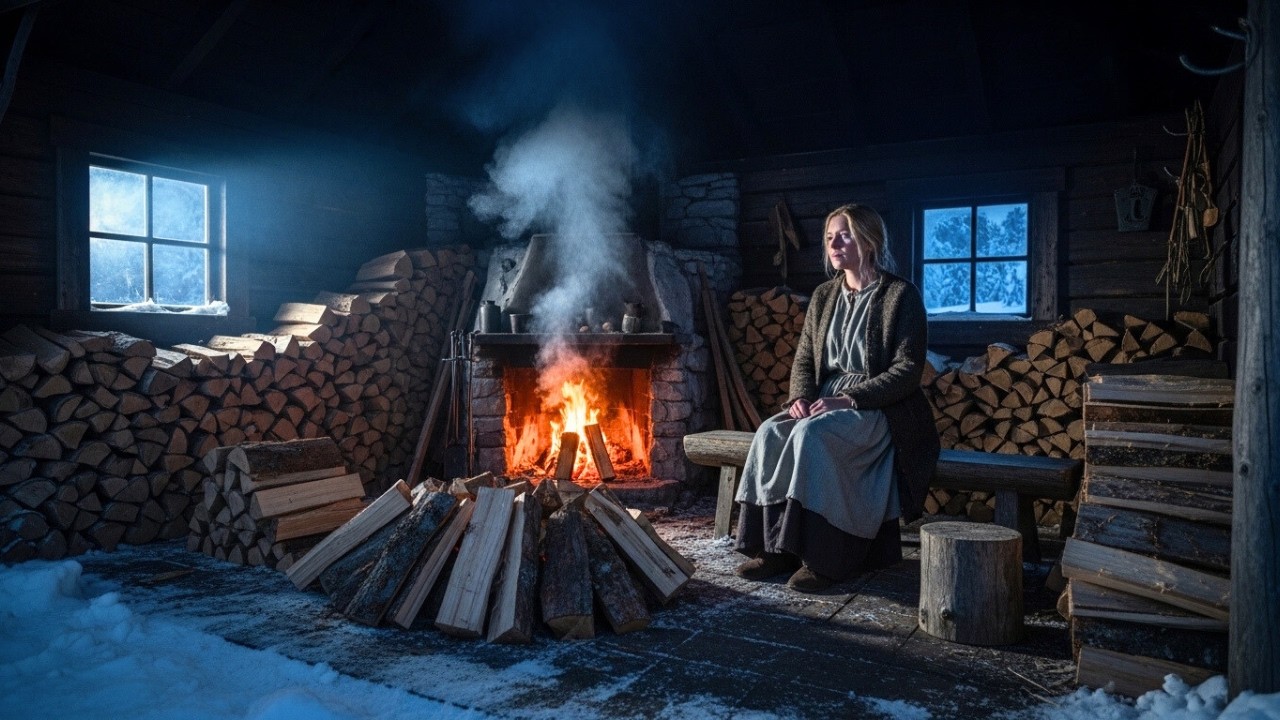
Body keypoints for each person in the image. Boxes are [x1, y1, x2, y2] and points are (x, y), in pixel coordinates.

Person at [733, 203, 941, 592]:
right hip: (823, 400)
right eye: (830, 237)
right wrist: (800, 397)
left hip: (877, 407)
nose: (834, 244)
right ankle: (776, 548)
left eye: (844, 235)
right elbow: (804, 359)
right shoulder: (824, 295)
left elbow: (907, 370)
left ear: (869, 240)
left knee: (812, 436)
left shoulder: (901, 295)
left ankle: (825, 558)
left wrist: (847, 399)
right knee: (770, 433)